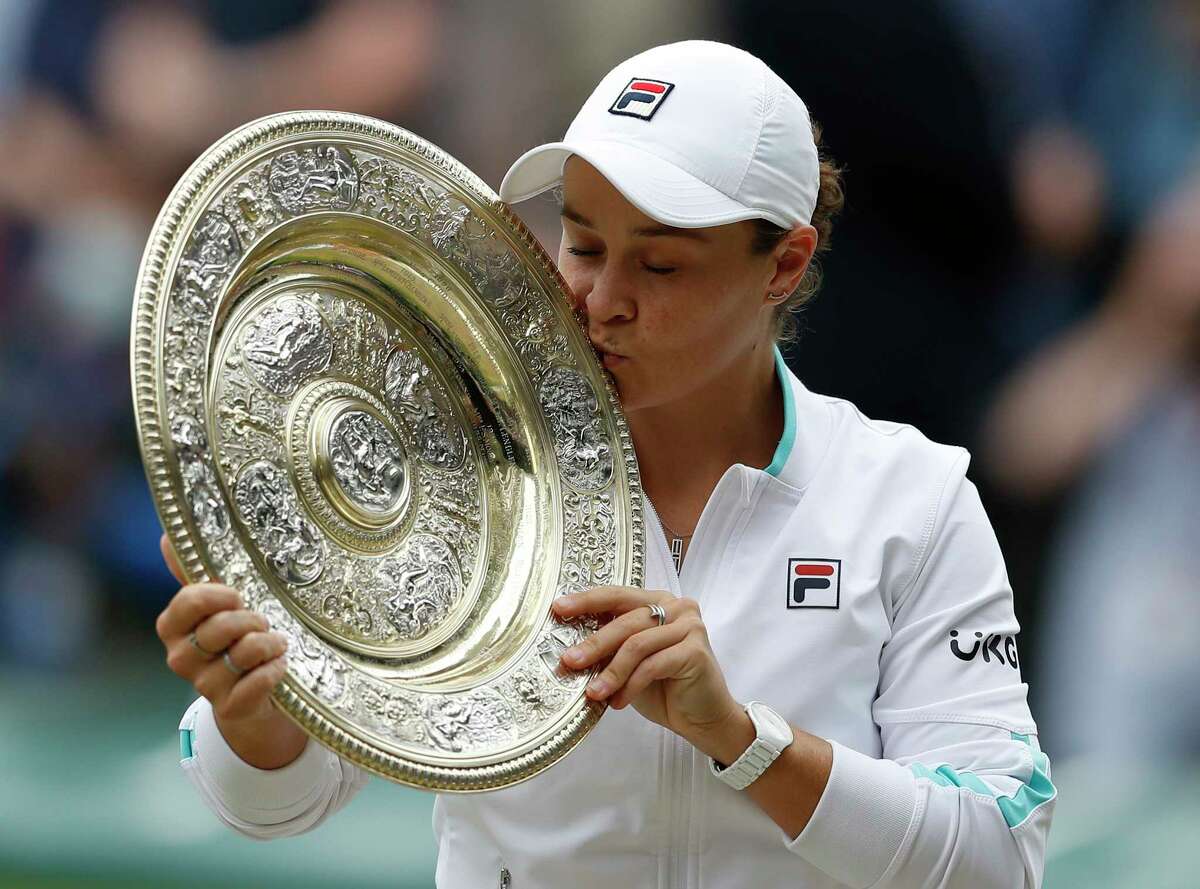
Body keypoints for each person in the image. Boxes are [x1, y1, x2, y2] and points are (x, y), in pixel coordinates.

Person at [155, 40, 1055, 888]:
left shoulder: (912, 499)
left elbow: (999, 855)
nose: (600, 300)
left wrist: (741, 738)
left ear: (783, 264)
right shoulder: (452, 475)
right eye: (582, 244)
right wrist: (256, 714)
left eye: (659, 266)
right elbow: (271, 802)